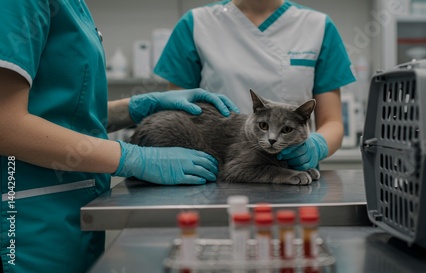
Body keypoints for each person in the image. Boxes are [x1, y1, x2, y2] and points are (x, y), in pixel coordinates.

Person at [0, 1, 238, 272]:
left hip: (71, 209)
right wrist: (132, 157)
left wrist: (137, 107)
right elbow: (5, 126)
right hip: (27, 216)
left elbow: (66, 114)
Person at [155, 0, 356, 172]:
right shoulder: (197, 24)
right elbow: (179, 113)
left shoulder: (318, 26)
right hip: (217, 173)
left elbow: (333, 122)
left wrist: (316, 146)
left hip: (292, 177)